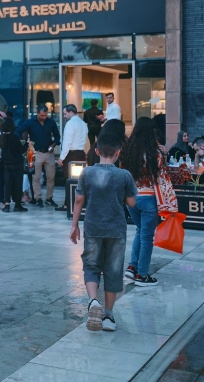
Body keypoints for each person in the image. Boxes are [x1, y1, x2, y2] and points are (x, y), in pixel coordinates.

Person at [70, 131, 137, 333]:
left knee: (91, 266)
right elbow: (132, 202)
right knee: (113, 270)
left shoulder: (87, 173)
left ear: (97, 151)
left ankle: (93, 302)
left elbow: (79, 200)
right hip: (116, 229)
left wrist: (74, 225)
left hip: (93, 227)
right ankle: (108, 315)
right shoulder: (124, 175)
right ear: (118, 153)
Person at [118, 117, 175, 287]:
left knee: (140, 231)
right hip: (149, 198)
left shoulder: (127, 150)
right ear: (151, 132)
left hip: (131, 199)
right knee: (147, 237)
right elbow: (161, 177)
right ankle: (142, 275)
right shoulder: (154, 153)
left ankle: (132, 267)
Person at [16, 105, 61, 208]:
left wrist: (53, 145)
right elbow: (18, 130)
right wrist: (23, 143)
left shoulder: (51, 122)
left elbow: (57, 136)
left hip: (49, 152)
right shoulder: (30, 122)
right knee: (35, 177)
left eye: (45, 115)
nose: (44, 117)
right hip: (36, 152)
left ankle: (49, 198)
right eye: (42, 115)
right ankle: (38, 198)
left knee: (51, 177)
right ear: (37, 113)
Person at [0, 116, 27, 212]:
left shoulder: (1, 138)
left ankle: (6, 205)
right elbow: (21, 150)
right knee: (18, 184)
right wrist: (26, 144)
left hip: (6, 164)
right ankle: (17, 205)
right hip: (17, 164)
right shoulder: (14, 138)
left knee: (7, 184)